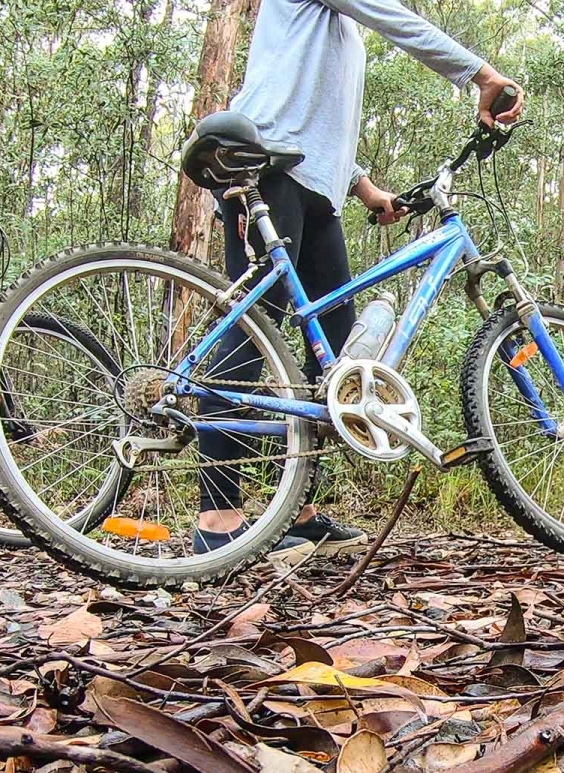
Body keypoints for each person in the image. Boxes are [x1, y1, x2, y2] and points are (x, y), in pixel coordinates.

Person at [192, 0, 524, 562]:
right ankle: (217, 519)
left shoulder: (337, 30)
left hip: (319, 194)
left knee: (336, 363)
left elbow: (319, 117)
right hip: (269, 171)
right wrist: (481, 75)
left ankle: (299, 511)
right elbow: (395, 21)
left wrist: (367, 189)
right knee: (254, 329)